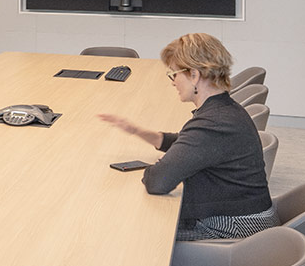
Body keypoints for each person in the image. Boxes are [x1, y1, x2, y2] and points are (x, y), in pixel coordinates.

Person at [99, 32, 274, 241]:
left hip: (233, 229)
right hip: (242, 214)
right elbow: (191, 143)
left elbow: (157, 181)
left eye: (174, 74)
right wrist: (139, 132)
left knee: (135, 234)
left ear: (194, 75)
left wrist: (162, 165)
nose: (173, 82)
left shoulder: (213, 124)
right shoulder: (224, 110)